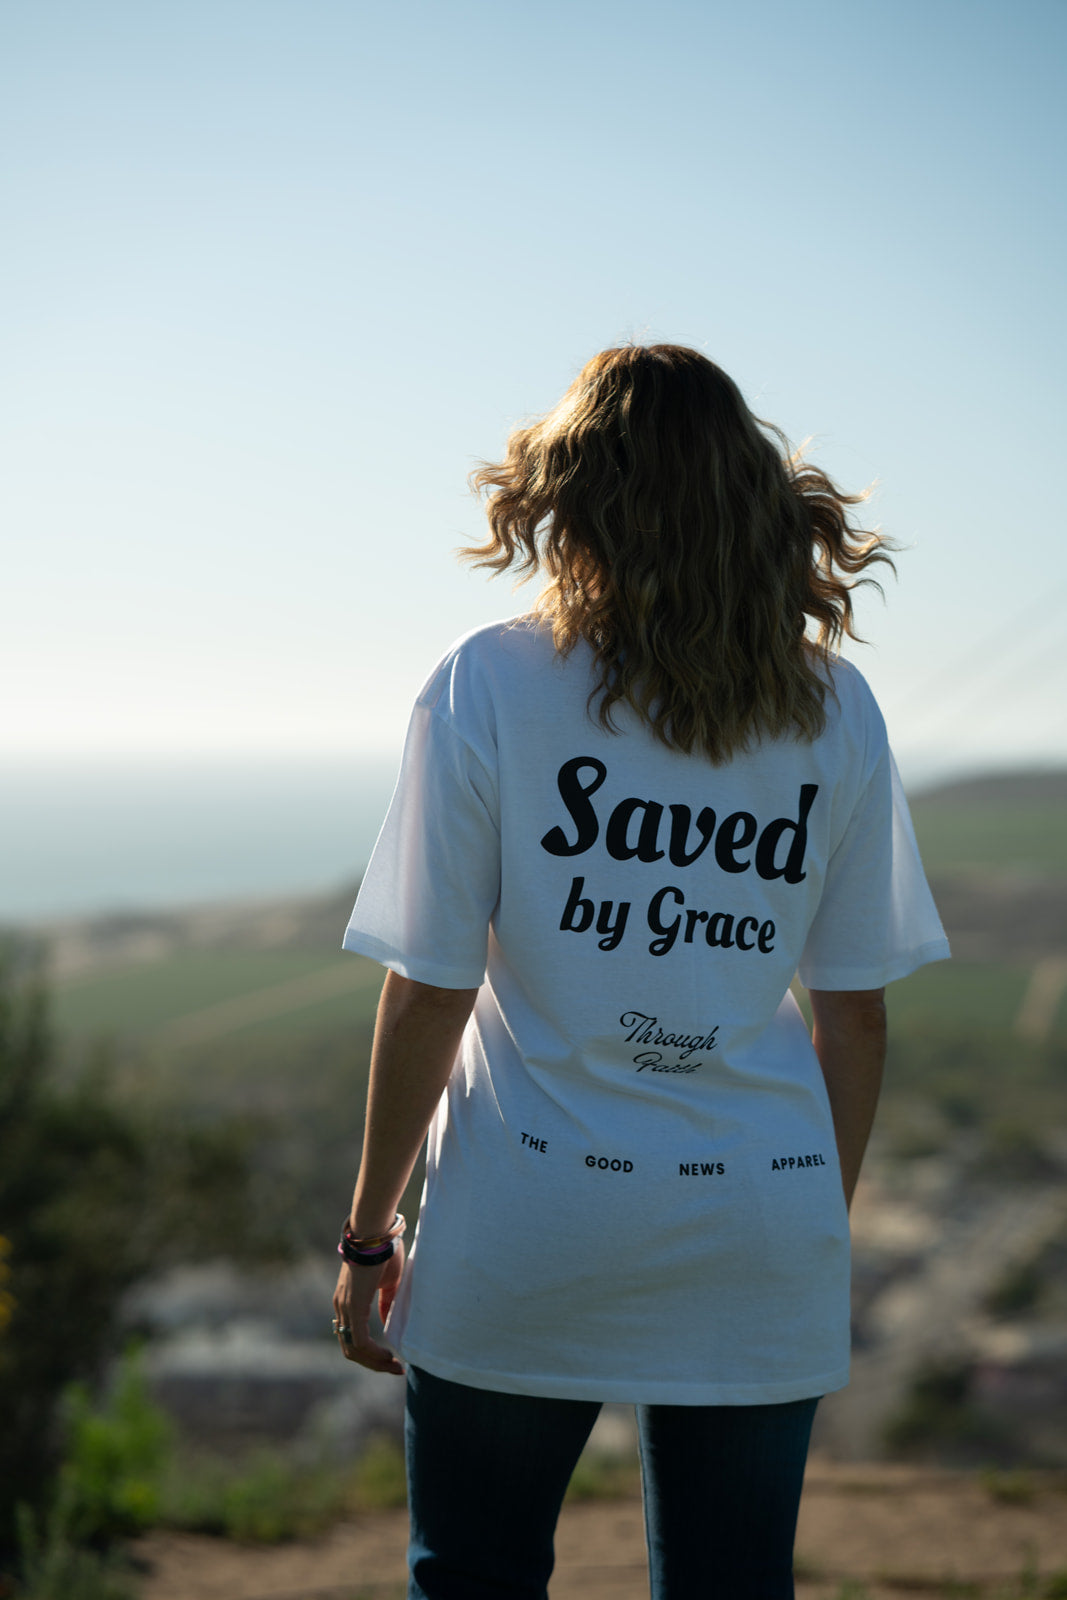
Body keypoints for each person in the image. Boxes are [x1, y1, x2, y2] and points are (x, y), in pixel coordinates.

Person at [332, 344, 949, 1600]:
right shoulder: (835, 710)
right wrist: (809, 1222)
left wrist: (364, 1235)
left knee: (475, 1576)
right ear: (753, 496)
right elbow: (855, 1019)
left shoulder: (489, 681)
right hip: (758, 1218)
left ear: (569, 493)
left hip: (526, 1214)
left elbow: (431, 988)